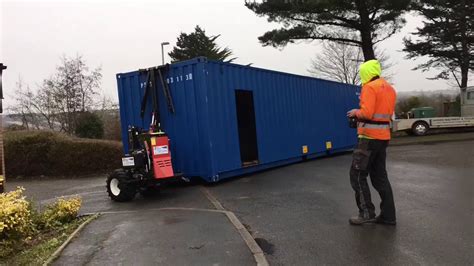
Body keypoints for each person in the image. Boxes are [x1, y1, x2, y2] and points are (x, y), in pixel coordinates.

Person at [346, 59, 397, 225]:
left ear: (366, 72)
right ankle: (388, 216)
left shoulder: (369, 87)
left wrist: (356, 112)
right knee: (380, 177)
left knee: (357, 175)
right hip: (383, 138)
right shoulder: (389, 88)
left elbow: (367, 113)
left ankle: (366, 213)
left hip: (368, 139)